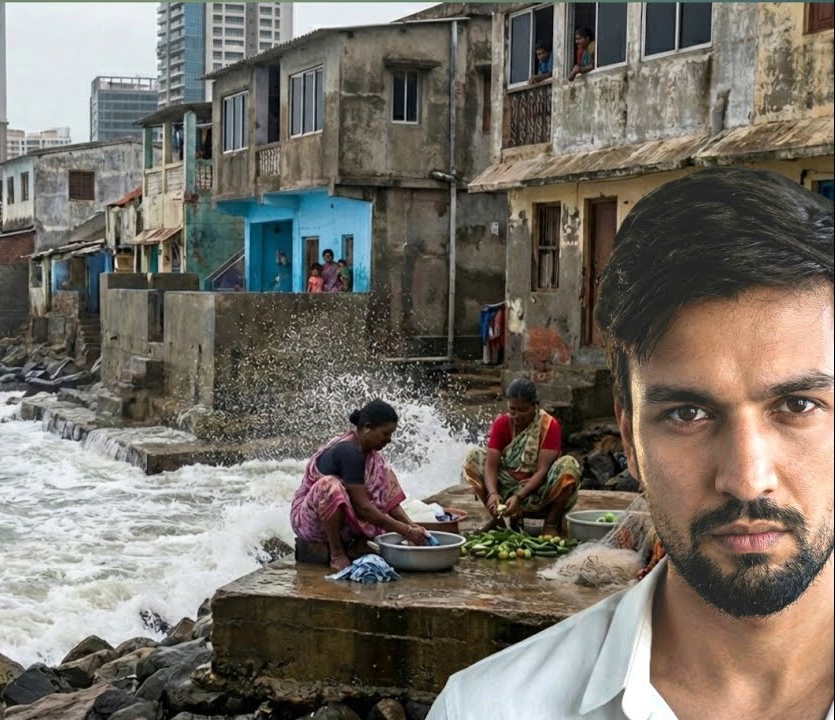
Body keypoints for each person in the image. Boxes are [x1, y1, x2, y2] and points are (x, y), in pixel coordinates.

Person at [428, 167, 834, 719]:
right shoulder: (487, 709)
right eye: (688, 413)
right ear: (630, 436)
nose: (745, 477)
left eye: (798, 406)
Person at [291, 400, 431, 572]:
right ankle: (337, 554)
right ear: (367, 427)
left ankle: (356, 543)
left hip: (343, 521)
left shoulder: (371, 456)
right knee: (329, 486)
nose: (389, 440)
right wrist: (406, 531)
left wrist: (412, 526)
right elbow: (362, 508)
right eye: (385, 434)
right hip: (311, 522)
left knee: (384, 471)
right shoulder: (349, 451)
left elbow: (389, 501)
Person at [462, 378, 581, 535]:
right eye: (512, 410)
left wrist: (520, 495)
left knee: (568, 466)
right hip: (507, 485)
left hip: (538, 487)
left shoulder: (548, 426)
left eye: (523, 410)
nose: (517, 415)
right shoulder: (502, 424)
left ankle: (551, 524)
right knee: (474, 457)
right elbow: (491, 465)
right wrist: (493, 493)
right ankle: (499, 521)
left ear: (534, 405)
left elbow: (542, 470)